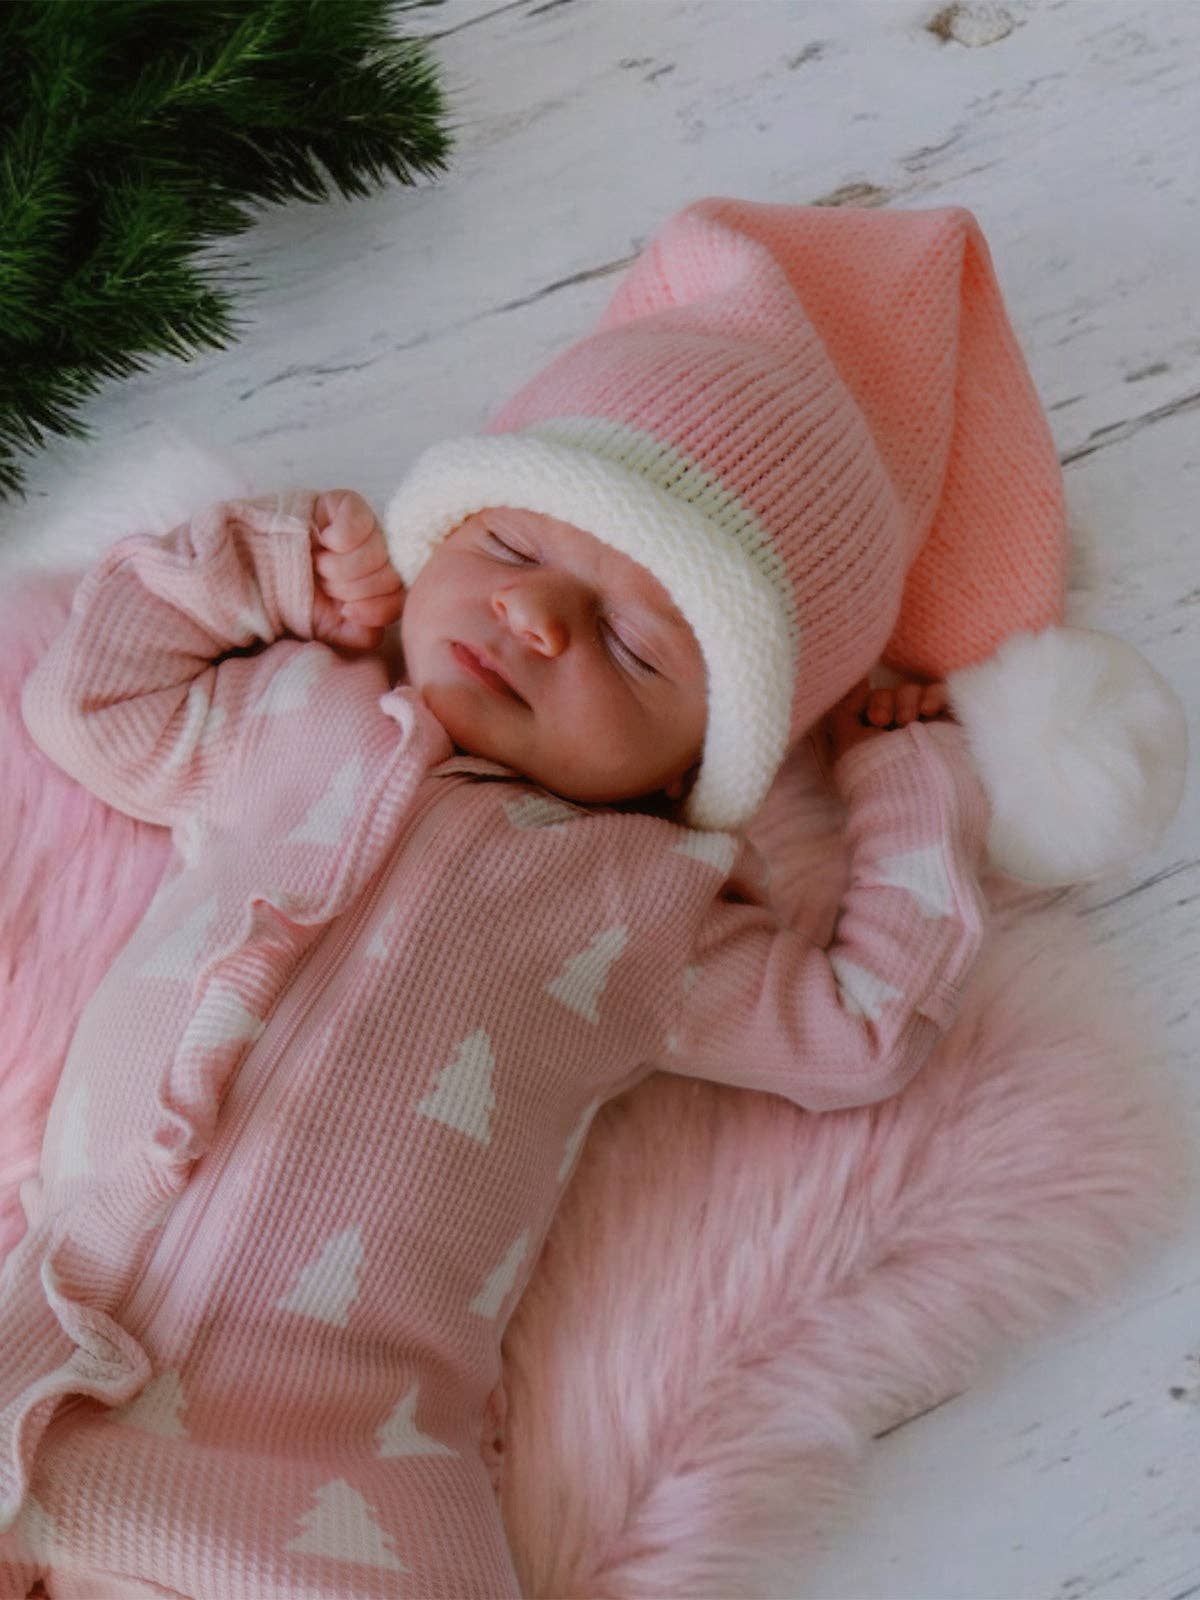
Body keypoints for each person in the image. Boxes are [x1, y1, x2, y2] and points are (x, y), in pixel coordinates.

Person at [0, 198, 1181, 1598]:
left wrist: (909, 779)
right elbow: (92, 700)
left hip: (334, 1462)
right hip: (48, 1321)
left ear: (695, 767)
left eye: (630, 644)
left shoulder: (648, 909)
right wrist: (265, 566)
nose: (538, 618)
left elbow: (861, 1030)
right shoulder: (294, 715)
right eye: (511, 549)